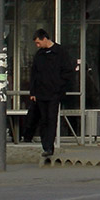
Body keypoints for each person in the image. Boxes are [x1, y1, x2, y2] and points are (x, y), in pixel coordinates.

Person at [29, 29, 75, 159]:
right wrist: (33, 91)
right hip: (41, 93)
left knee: (51, 119)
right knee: (44, 120)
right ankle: (46, 146)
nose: (37, 46)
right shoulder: (39, 55)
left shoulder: (60, 52)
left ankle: (49, 146)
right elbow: (34, 74)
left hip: (55, 93)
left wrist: (61, 88)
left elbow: (68, 72)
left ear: (45, 39)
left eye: (38, 42)